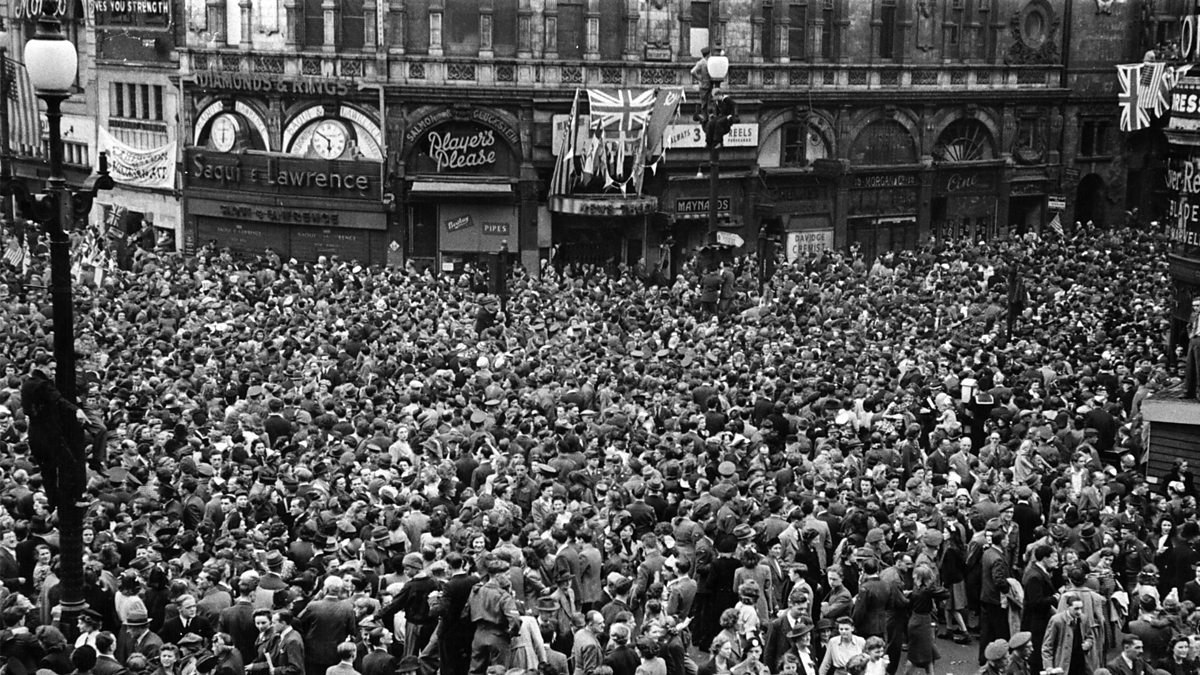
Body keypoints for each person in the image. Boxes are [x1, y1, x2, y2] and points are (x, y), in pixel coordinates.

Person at [1041, 593, 1098, 675]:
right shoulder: (1057, 621)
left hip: (1081, 663)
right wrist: (1049, 667)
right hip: (1064, 663)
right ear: (1068, 607)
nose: (1079, 612)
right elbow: (1047, 646)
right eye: (1076, 609)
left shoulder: (1083, 619)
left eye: (1081, 608)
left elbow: (1089, 636)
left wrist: (1088, 643)